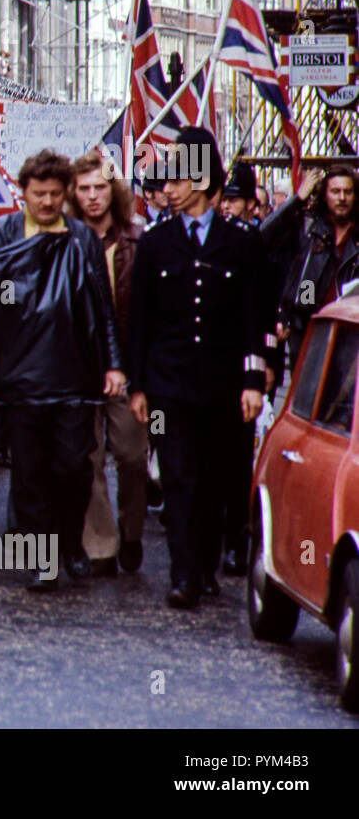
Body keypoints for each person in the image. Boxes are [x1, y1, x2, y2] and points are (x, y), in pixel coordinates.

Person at [128, 127, 274, 608]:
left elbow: (258, 318)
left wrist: (254, 379)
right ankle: (183, 573)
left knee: (215, 477)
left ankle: (205, 563)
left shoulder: (241, 244)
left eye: (177, 179)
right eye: (163, 182)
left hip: (222, 384)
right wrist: (137, 385)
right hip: (168, 385)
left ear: (202, 178)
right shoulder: (155, 244)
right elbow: (139, 319)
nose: (167, 189)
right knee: (177, 475)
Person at [0, 149, 125, 592]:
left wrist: (113, 363)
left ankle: (69, 543)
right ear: (22, 192)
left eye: (54, 195)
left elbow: (101, 303)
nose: (46, 203)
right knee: (28, 472)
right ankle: (43, 557)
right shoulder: (2, 233)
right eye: (38, 194)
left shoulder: (81, 237)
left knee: (72, 467)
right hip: (20, 375)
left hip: (73, 373)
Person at [67, 151, 147, 577]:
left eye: (100, 187)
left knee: (133, 456)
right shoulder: (65, 238)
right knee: (89, 457)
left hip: (129, 367)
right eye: (84, 188)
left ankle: (131, 530)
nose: (93, 196)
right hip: (80, 366)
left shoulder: (136, 239)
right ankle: (100, 545)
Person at [262, 164, 359, 370]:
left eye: (347, 192)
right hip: (307, 326)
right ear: (325, 195)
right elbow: (262, 238)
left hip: (350, 330)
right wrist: (297, 200)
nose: (342, 198)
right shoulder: (308, 227)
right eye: (335, 191)